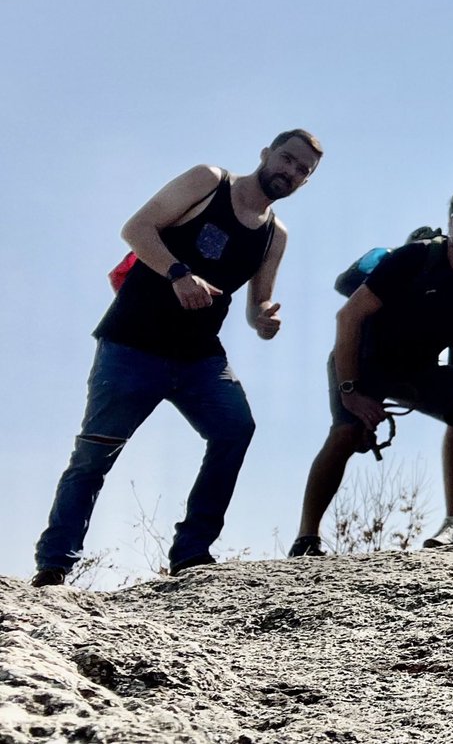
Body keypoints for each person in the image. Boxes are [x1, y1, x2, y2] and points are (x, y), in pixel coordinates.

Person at [33, 130, 323, 586]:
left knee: (235, 428)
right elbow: (136, 228)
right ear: (266, 154)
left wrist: (265, 319)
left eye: (303, 170)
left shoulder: (275, 235)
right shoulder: (209, 181)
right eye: (287, 159)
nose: (291, 172)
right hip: (132, 345)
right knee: (94, 456)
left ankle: (192, 551)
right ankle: (54, 565)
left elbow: (256, 305)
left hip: (199, 358)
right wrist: (178, 273)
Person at [289, 180, 453, 555]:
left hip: (416, 369)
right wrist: (351, 392)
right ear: (451, 221)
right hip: (361, 360)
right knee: (346, 434)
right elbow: (348, 317)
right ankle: (306, 538)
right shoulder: (413, 258)